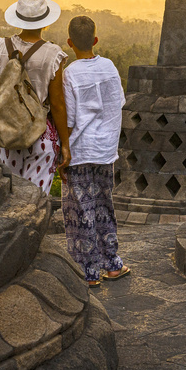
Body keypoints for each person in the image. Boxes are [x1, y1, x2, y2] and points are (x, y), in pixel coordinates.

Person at [59, 15, 129, 287]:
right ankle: (112, 264)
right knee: (103, 206)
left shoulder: (70, 74)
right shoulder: (110, 67)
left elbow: (70, 118)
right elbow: (117, 103)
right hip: (104, 151)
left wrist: (63, 152)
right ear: (95, 40)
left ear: (69, 43)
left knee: (80, 212)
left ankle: (88, 272)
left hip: (79, 151)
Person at [0, 0, 70, 194]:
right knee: (36, 200)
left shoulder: (0, 48)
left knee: (11, 197)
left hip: (7, 135)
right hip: (40, 136)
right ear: (45, 21)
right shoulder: (53, 54)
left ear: (18, 19)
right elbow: (57, 104)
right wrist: (65, 145)